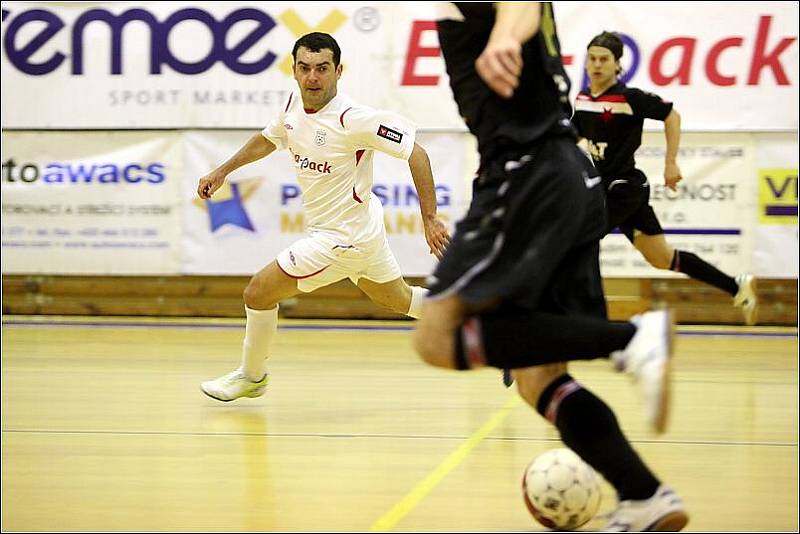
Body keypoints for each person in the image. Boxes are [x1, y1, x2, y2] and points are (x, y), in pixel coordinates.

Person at [414, 3, 688, 531]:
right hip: (567, 175)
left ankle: (631, 338)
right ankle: (645, 494)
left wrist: (505, 40)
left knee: (435, 336)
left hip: (527, 174)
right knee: (540, 379)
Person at [198, 32, 449, 402]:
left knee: (259, 292)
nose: (313, 77)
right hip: (361, 231)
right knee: (398, 299)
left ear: (338, 71)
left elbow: (417, 153)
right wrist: (222, 171)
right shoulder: (292, 106)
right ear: (294, 70)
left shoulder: (354, 119)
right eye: (305, 68)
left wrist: (429, 218)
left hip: (342, 239)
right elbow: (270, 138)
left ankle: (252, 377)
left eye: (322, 68)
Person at [572, 31, 758, 325]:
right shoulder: (582, 100)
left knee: (581, 238)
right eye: (592, 59)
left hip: (625, 187)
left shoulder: (629, 98)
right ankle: (737, 286)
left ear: (617, 64)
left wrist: (670, 162)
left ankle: (592, 323)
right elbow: (572, 138)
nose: (597, 65)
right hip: (605, 187)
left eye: (604, 59)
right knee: (662, 258)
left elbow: (672, 116)